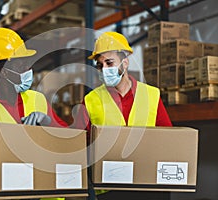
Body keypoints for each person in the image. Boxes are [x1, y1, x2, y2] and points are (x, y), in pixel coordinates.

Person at [74, 31, 172, 200]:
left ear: (125, 63)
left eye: (109, 62)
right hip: (110, 188)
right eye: (100, 65)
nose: (104, 69)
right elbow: (79, 145)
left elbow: (168, 139)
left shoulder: (151, 95)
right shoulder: (91, 100)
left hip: (148, 186)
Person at [0, 27, 67, 129]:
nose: (27, 69)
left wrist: (48, 122)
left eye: (27, 63)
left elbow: (68, 138)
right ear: (4, 72)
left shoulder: (38, 100)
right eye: (20, 65)